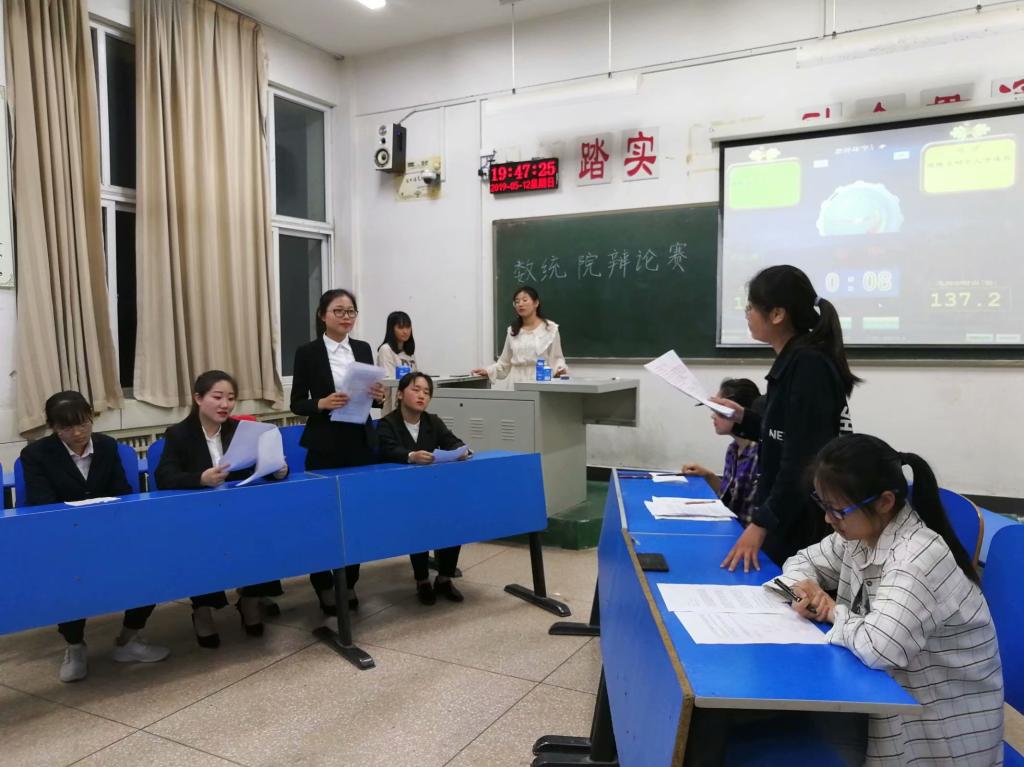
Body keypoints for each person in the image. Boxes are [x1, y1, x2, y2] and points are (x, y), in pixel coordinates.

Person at [777, 434, 1003, 766]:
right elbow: (800, 561)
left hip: (939, 732)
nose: (828, 519)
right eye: (823, 506)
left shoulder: (916, 557)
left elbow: (881, 648)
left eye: (837, 510)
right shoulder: (861, 533)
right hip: (888, 699)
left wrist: (832, 611)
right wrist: (806, 586)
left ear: (884, 502)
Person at [714, 265, 858, 572]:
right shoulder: (795, 360)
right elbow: (783, 434)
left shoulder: (808, 365)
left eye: (751, 307)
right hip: (786, 514)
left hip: (799, 521)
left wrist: (761, 523)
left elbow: (801, 460)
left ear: (777, 314)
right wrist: (742, 418)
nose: (747, 314)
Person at [20, 391, 170, 682]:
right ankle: (75, 646)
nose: (78, 433)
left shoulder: (107, 446)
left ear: (91, 418)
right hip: (64, 538)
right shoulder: (36, 455)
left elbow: (123, 492)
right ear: (53, 427)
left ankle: (129, 638)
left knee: (150, 565)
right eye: (67, 428)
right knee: (66, 577)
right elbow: (42, 503)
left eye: (83, 423)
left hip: (110, 532)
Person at [155, 370, 288, 648]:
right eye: (217, 397)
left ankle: (249, 599)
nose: (225, 405)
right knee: (199, 547)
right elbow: (164, 476)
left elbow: (258, 467)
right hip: (199, 515)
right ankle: (202, 610)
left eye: (230, 398)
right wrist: (200, 479)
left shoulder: (241, 430)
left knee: (263, 535)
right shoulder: (179, 434)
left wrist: (278, 470)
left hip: (239, 510)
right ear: (198, 398)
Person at [290, 288, 386, 614]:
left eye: (351, 312)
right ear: (323, 315)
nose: (346, 317)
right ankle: (323, 585)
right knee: (322, 517)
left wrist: (378, 396)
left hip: (359, 441)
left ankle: (350, 582)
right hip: (325, 444)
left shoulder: (362, 348)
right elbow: (296, 402)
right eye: (339, 311)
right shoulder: (308, 352)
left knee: (355, 515)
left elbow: (371, 396)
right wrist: (321, 402)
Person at [377, 372, 471, 605]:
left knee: (453, 518)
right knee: (417, 521)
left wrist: (462, 451)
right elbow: (387, 450)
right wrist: (411, 456)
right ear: (400, 394)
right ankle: (421, 581)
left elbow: (453, 441)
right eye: (416, 390)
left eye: (427, 392)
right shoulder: (388, 423)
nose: (422, 396)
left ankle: (444, 578)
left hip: (432, 489)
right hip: (400, 492)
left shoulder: (432, 421)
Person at [681, 379, 762, 525]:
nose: (713, 415)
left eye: (719, 409)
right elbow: (731, 498)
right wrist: (708, 476)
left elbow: (750, 516)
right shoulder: (733, 449)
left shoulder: (758, 455)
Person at [471, 286, 567, 384]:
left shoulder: (550, 329)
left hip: (540, 381)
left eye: (525, 300)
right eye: (517, 302)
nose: (520, 304)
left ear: (536, 303)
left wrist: (560, 369)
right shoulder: (513, 330)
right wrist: (488, 371)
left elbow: (557, 359)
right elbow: (504, 363)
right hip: (515, 383)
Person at [376, 310, 417, 416]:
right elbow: (390, 382)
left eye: (408, 327)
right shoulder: (386, 350)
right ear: (391, 329)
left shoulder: (409, 353)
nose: (405, 331)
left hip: (409, 405)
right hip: (392, 408)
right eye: (400, 327)